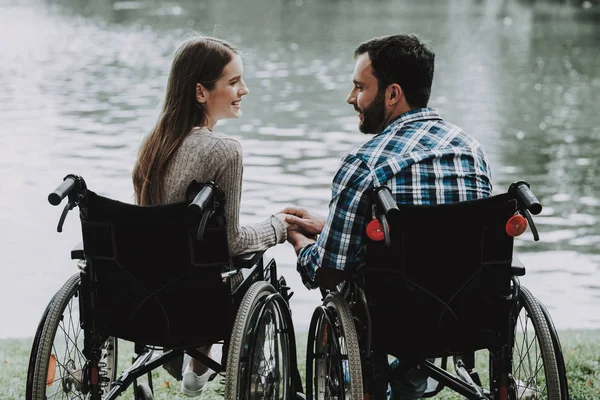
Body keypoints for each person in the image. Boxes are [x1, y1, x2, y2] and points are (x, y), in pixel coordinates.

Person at [283, 34, 493, 399]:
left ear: (393, 94)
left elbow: (329, 269)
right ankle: (409, 382)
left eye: (359, 87)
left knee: (354, 284)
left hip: (394, 320)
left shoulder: (364, 162)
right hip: (469, 313)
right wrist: (328, 226)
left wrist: (299, 241)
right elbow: (445, 234)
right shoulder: (470, 151)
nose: (352, 98)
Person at [132, 35, 288, 398]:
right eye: (234, 82)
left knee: (199, 259)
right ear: (201, 92)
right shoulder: (225, 151)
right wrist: (278, 227)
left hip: (146, 290)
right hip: (198, 300)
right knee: (244, 265)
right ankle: (199, 369)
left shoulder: (152, 145)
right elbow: (233, 241)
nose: (244, 90)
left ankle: (191, 365)